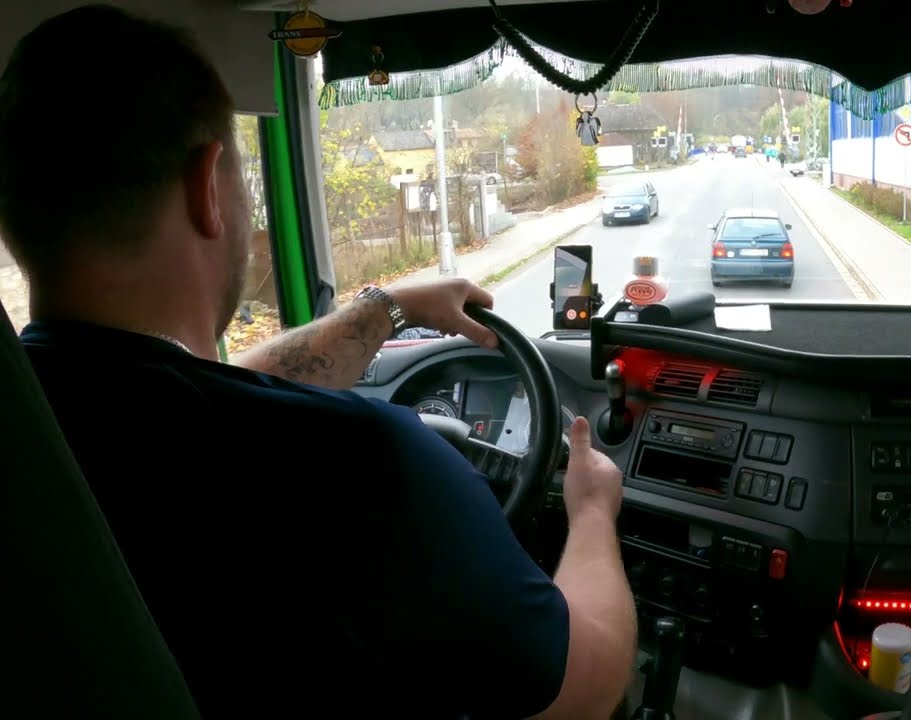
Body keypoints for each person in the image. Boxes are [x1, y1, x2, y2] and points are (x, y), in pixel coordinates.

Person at [0, 5, 636, 719]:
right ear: (209, 187)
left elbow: (224, 391)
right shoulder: (369, 464)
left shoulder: (31, 427)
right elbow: (588, 684)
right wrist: (590, 512)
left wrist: (385, 308)